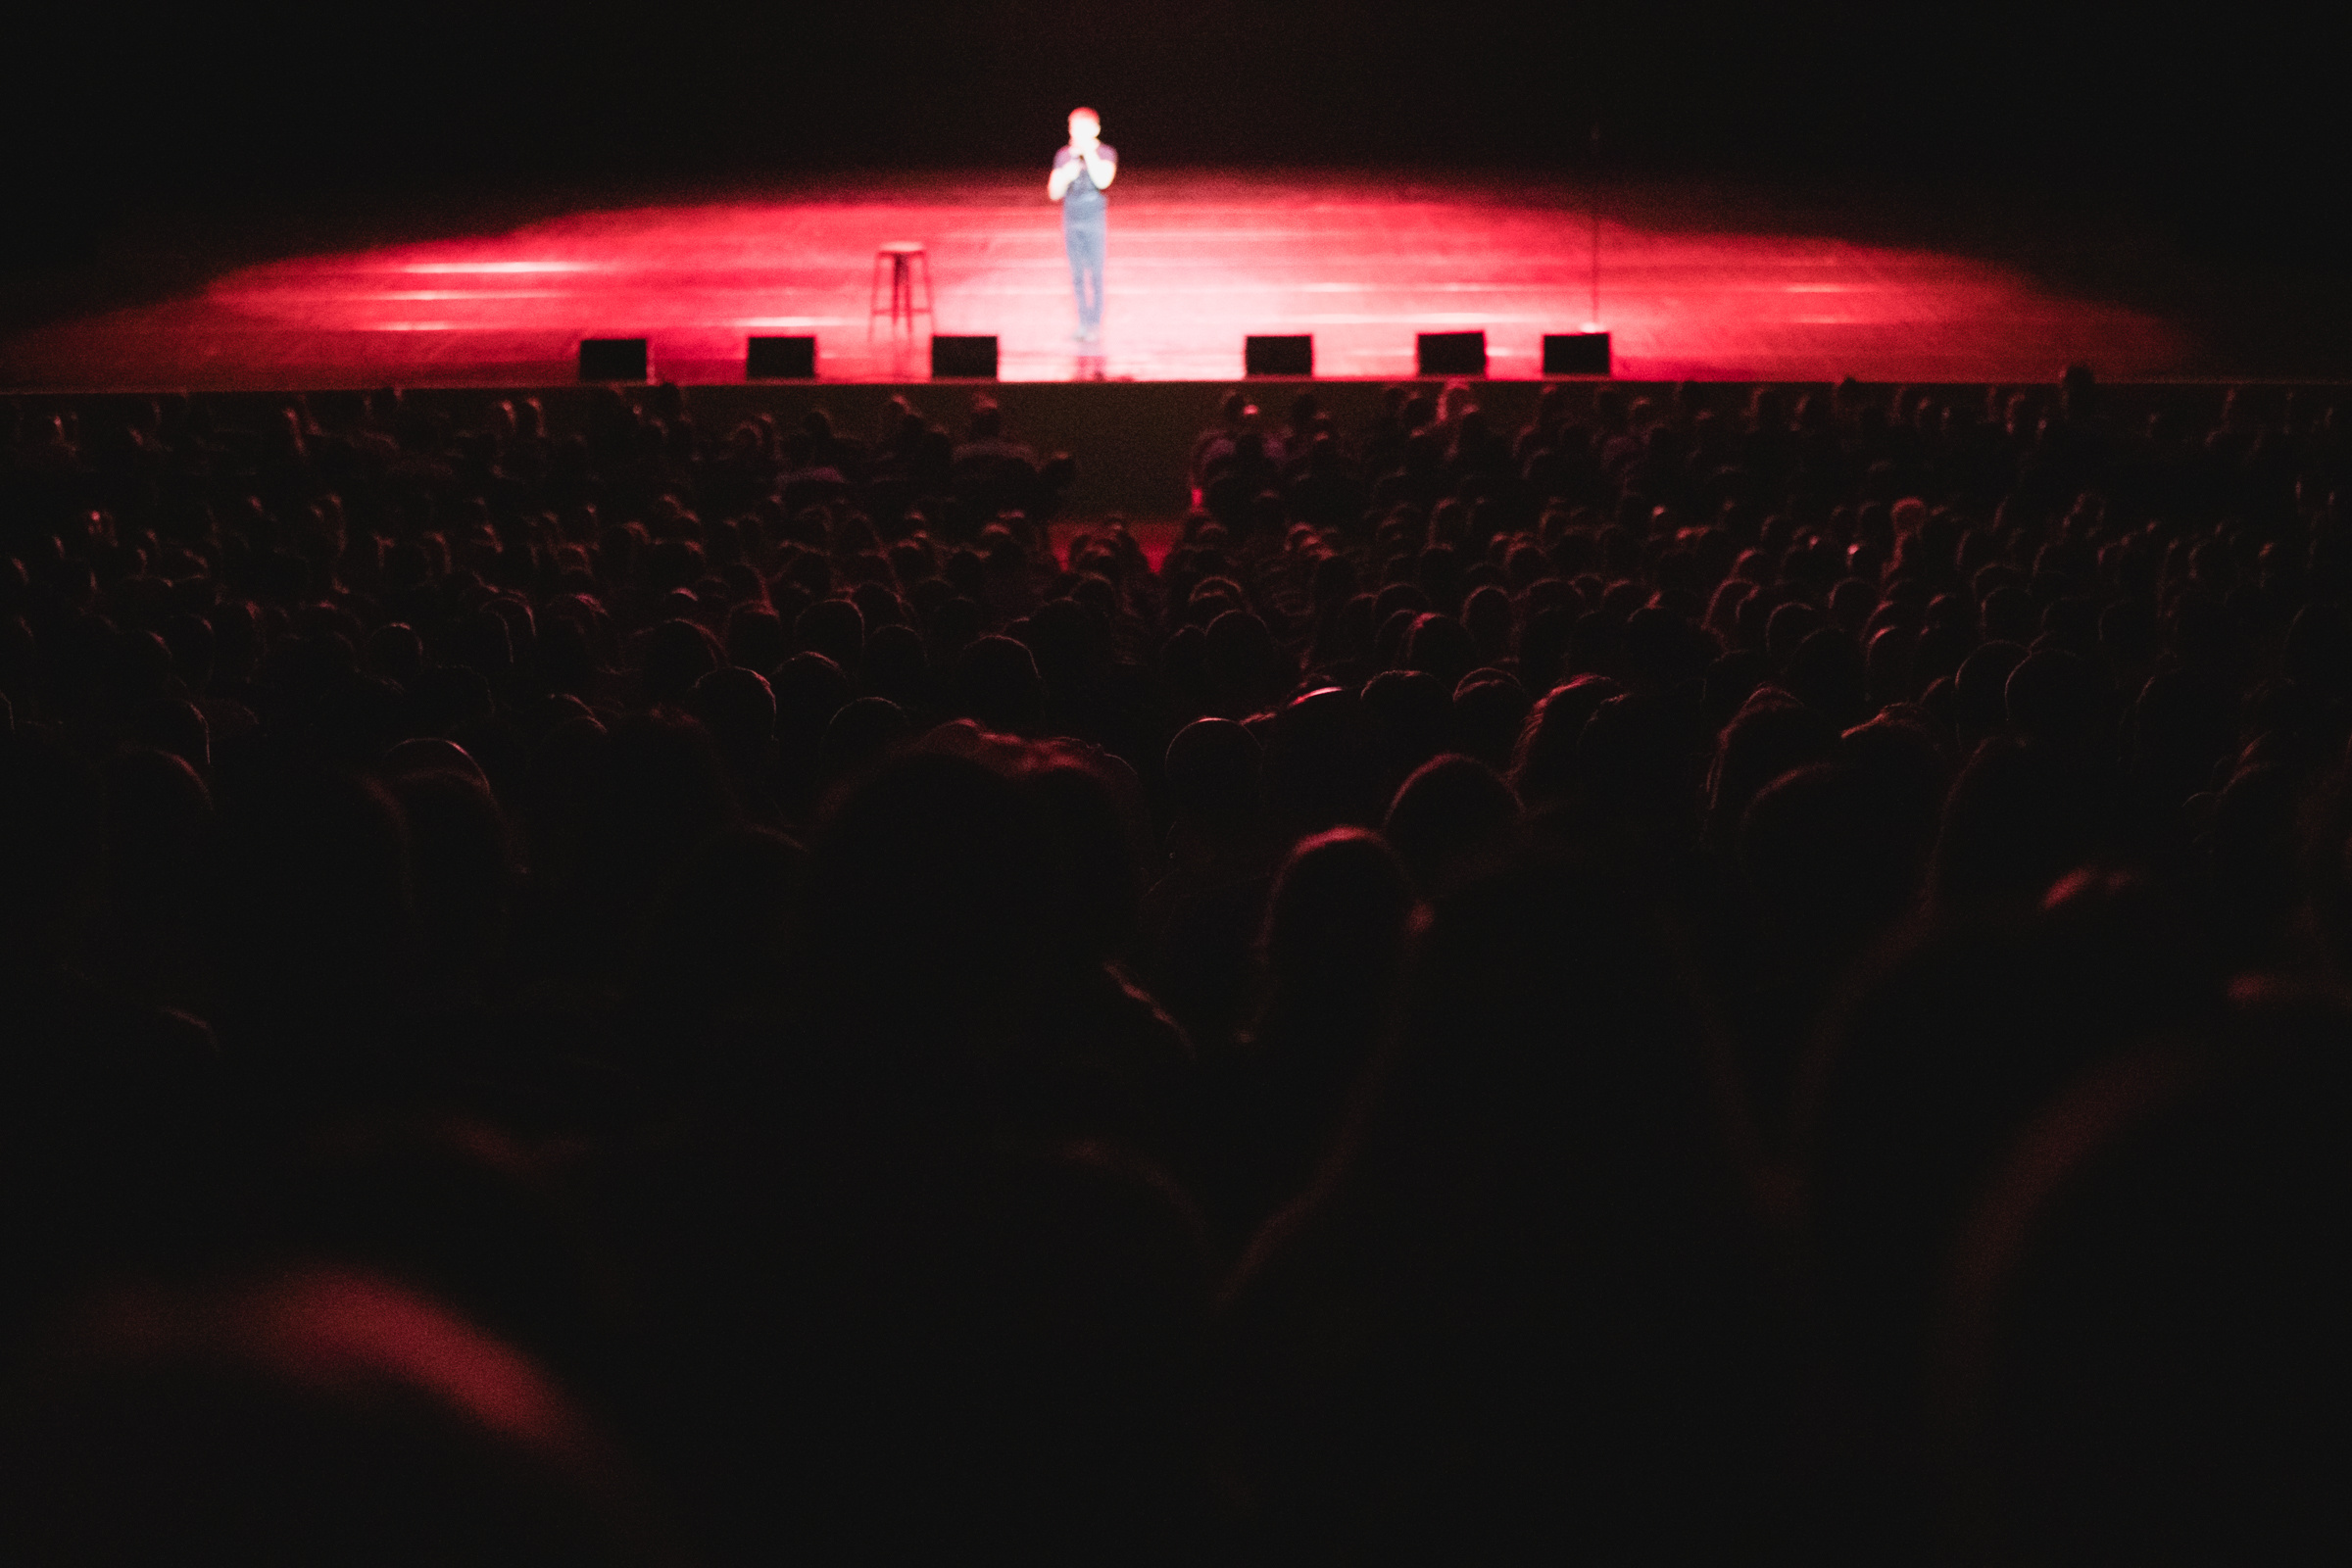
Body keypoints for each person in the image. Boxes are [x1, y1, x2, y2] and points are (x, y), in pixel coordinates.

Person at [1047, 107, 1116, 343]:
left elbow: (1103, 180)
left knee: (1095, 274)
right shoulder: (1063, 155)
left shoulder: (1106, 153)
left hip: (1094, 219)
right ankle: (1082, 322)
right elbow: (1054, 193)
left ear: (1095, 130)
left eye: (1079, 128)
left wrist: (1089, 154)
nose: (1073, 132)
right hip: (1071, 219)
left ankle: (1095, 324)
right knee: (1076, 275)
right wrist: (1066, 174)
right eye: (1072, 127)